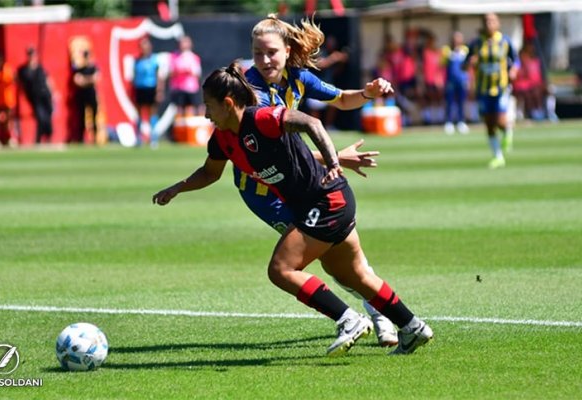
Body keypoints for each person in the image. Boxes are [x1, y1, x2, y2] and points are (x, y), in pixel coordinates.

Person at [152, 61, 434, 356]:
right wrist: (177, 189)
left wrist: (334, 162)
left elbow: (313, 124)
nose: (206, 114)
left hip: (327, 200)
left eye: (208, 106)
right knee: (353, 275)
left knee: (281, 269)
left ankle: (349, 320)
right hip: (320, 204)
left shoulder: (262, 118)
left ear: (227, 103)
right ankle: (412, 326)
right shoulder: (223, 139)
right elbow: (210, 173)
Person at [244, 15, 401, 347]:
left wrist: (368, 93)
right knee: (328, 253)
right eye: (257, 53)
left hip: (296, 177)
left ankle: (374, 313)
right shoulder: (251, 90)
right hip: (263, 188)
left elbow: (343, 99)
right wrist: (335, 158)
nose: (264, 60)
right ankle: (372, 313)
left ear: (287, 50)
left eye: (271, 52)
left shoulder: (298, 78)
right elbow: (276, 157)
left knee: (336, 250)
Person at [463, 13, 520, 169]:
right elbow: (464, 64)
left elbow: (516, 60)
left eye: (492, 21)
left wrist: (514, 70)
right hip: (482, 88)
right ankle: (497, 156)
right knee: (489, 123)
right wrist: (470, 62)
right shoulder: (475, 43)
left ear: (498, 23)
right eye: (486, 21)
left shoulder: (505, 41)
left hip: (501, 87)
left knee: (500, 119)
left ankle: (507, 130)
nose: (489, 23)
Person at [17, 47, 54, 144]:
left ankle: (46, 136)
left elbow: (48, 80)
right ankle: (39, 138)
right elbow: (19, 84)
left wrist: (53, 93)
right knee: (40, 117)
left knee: (48, 117)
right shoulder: (23, 70)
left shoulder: (40, 68)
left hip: (45, 95)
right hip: (34, 97)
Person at [133, 37, 164, 148]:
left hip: (151, 88)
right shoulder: (137, 61)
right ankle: (138, 138)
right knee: (139, 114)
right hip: (140, 88)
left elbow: (159, 77)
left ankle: (153, 138)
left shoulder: (154, 60)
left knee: (152, 113)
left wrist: (159, 90)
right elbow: (134, 76)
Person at [441, 31, 470, 135]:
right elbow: (442, 64)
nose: (456, 40)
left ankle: (461, 122)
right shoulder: (446, 51)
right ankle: (448, 122)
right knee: (449, 102)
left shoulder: (465, 50)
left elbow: (468, 66)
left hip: (462, 81)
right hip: (450, 81)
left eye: (458, 38)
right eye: (455, 38)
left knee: (461, 102)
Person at [169, 35, 203, 116]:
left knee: (194, 109)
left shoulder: (194, 57)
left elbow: (198, 74)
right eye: (182, 42)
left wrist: (188, 71)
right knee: (180, 110)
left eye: (186, 42)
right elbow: (170, 73)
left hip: (191, 89)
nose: (184, 44)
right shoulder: (173, 57)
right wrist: (179, 72)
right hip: (178, 89)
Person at [71, 50, 99, 144]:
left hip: (91, 94)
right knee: (82, 117)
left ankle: (95, 137)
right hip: (82, 95)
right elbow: (77, 81)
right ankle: (81, 138)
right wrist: (89, 79)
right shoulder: (80, 69)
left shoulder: (94, 68)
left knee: (94, 116)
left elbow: (95, 79)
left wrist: (84, 80)